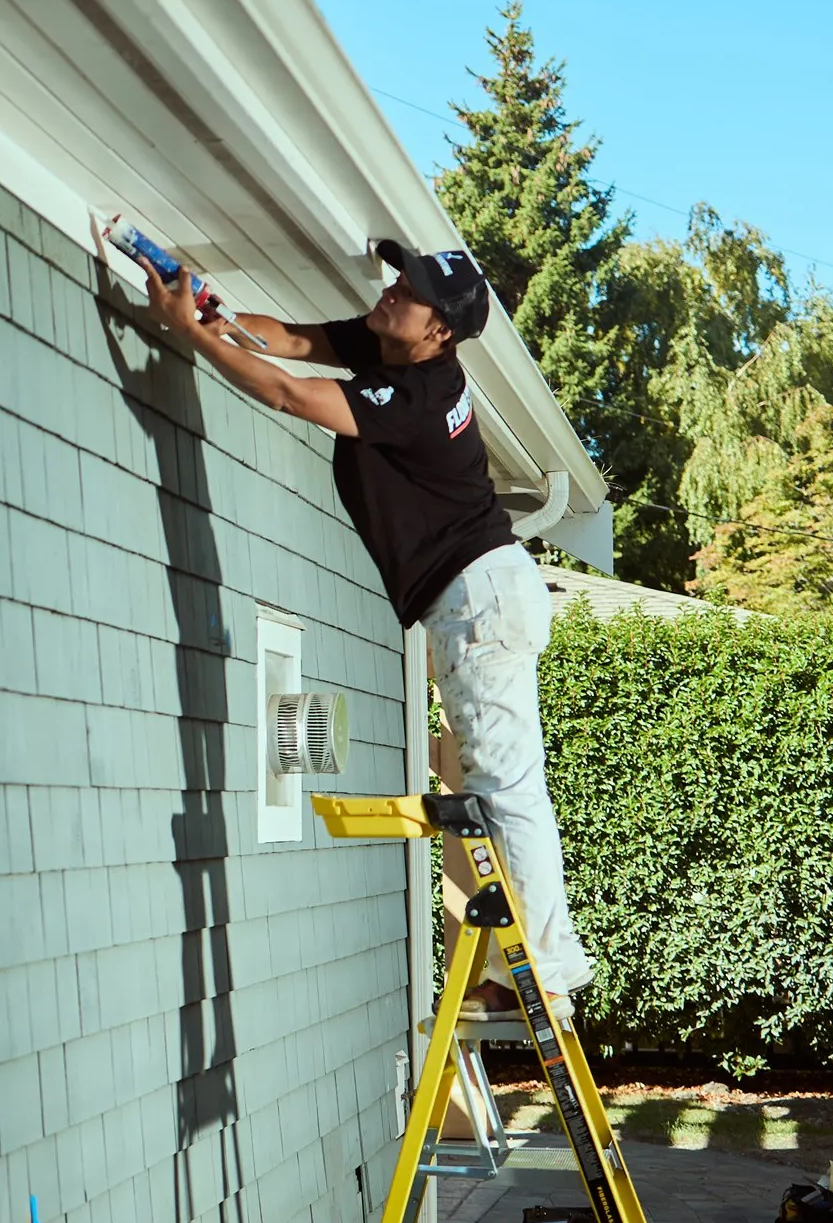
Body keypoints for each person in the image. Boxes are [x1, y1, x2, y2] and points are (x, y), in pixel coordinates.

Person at [136, 240, 593, 1024]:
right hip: (481, 594)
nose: (391, 290)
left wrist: (188, 333)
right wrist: (208, 307)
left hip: (477, 599)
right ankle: (541, 968)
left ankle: (547, 975)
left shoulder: (416, 395)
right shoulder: (388, 344)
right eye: (398, 276)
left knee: (505, 792)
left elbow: (287, 392)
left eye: (408, 290)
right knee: (504, 789)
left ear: (438, 332)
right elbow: (283, 338)